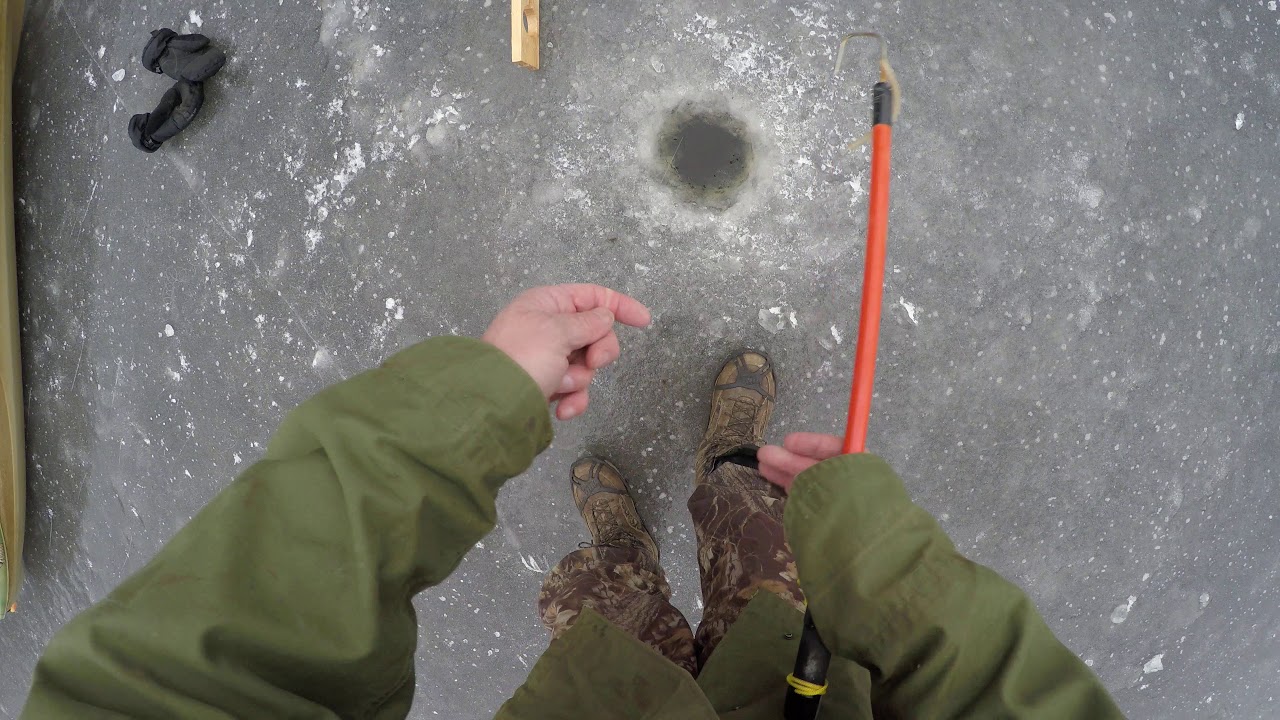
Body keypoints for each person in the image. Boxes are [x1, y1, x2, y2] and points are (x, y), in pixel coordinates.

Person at [21, 284, 1123, 718]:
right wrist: (889, 575)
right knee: (766, 545)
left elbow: (201, 673)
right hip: (802, 679)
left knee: (610, 605)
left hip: (604, 705)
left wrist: (466, 409)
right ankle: (726, 463)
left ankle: (622, 545)